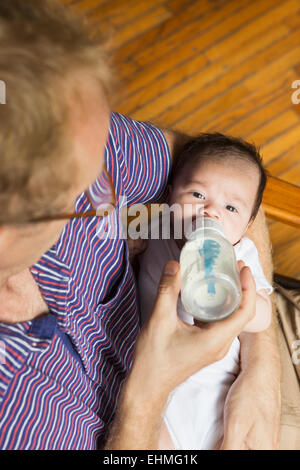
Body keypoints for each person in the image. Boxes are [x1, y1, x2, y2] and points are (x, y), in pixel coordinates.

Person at [0, 0, 280, 450]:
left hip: (222, 398)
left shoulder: (69, 127)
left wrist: (261, 368)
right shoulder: (17, 416)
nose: (106, 196)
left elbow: (219, 172)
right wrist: (146, 400)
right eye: (85, 187)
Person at [138, 134, 273, 449]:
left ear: (249, 222)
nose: (211, 212)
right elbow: (111, 226)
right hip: (160, 387)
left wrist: (241, 301)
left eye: (230, 207)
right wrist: (131, 243)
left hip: (216, 397)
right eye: (197, 194)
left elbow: (264, 315)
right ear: (170, 195)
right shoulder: (158, 226)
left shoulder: (242, 254)